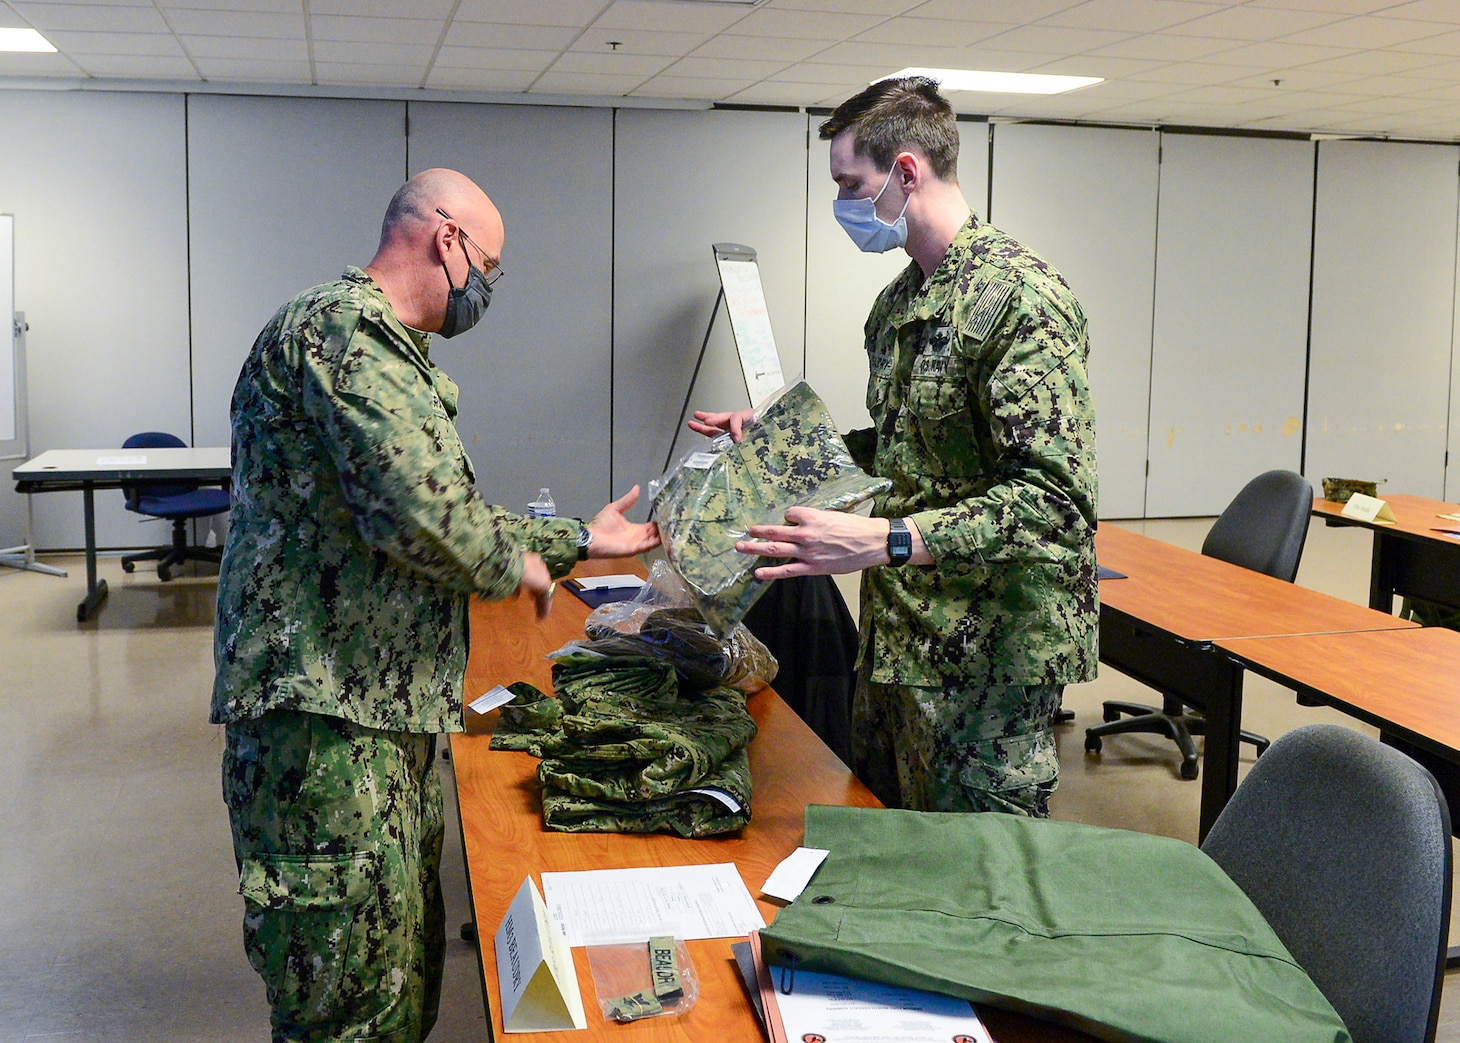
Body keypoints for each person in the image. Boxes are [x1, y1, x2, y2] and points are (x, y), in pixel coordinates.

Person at [211, 167, 659, 1043]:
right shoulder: (344, 333)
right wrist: (528, 565)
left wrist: (574, 540)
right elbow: (420, 514)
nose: (486, 288)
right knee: (349, 1006)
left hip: (375, 710)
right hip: (326, 725)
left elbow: (429, 507)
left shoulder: (378, 345)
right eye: (488, 265)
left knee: (398, 982)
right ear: (447, 240)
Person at [691, 77, 1097, 817]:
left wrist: (892, 539)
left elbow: (1057, 503)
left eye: (852, 183)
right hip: (898, 644)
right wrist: (782, 444)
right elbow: (899, 449)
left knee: (975, 882)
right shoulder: (899, 304)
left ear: (906, 172)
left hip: (985, 665)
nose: (845, 204)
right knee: (893, 857)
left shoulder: (1021, 298)